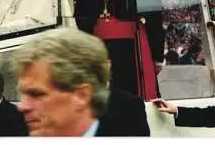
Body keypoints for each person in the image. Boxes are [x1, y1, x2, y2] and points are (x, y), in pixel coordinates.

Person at [14, 28, 150, 136]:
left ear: (81, 96)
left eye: (37, 94)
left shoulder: (128, 105)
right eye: (23, 94)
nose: (22, 107)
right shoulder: (23, 130)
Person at [74, 0, 163, 100]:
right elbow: (82, 29)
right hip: (101, 53)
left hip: (132, 52)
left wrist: (157, 55)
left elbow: (154, 21)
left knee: (134, 98)